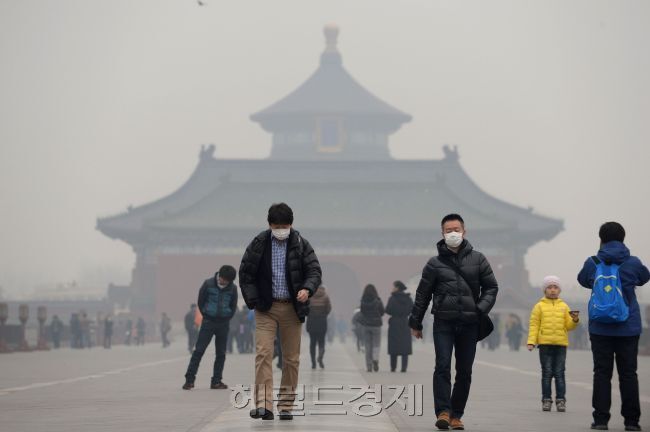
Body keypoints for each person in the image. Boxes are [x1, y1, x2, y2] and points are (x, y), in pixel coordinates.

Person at [409, 213, 498, 431]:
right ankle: (443, 412)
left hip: (469, 323)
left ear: (464, 231)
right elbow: (423, 294)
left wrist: (480, 309)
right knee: (442, 366)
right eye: (448, 230)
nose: (453, 234)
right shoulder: (434, 263)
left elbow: (491, 288)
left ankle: (457, 414)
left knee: (464, 370)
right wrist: (416, 322)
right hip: (444, 323)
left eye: (456, 229)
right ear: (442, 233)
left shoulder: (478, 259)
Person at [239, 203, 322, 420]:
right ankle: (263, 405)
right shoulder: (258, 244)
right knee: (263, 353)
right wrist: (253, 300)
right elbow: (246, 274)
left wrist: (307, 288)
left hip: (292, 308)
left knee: (291, 359)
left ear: (291, 224)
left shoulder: (301, 244)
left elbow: (314, 270)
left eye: (284, 226)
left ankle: (286, 406)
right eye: (277, 226)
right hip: (266, 308)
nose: (281, 230)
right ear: (269, 225)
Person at [577, 222, 649, 431]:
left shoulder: (592, 262)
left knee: (601, 373)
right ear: (623, 238)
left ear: (601, 239)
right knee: (628, 373)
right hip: (628, 327)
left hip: (600, 327)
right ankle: (632, 421)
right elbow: (645, 277)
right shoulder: (633, 263)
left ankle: (600, 420)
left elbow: (583, 280)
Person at [527, 276, 580, 412]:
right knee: (547, 373)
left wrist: (574, 320)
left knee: (560, 373)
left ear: (559, 290)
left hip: (561, 344)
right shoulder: (539, 306)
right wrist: (531, 342)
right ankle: (546, 400)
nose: (552, 290)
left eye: (555, 287)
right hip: (544, 344)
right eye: (549, 287)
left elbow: (568, 326)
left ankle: (561, 400)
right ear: (545, 290)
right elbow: (534, 325)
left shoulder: (564, 306)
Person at [183, 265, 238, 390]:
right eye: (223, 279)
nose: (223, 282)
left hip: (223, 324)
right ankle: (189, 380)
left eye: (227, 281)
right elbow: (201, 301)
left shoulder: (233, 288)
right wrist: (206, 315)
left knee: (221, 354)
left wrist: (227, 316)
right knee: (198, 351)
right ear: (220, 275)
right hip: (208, 323)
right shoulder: (208, 284)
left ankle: (216, 381)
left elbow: (233, 305)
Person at [386, 280, 413, 373]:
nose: (392, 288)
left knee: (394, 345)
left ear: (397, 287)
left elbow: (388, 310)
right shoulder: (408, 299)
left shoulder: (392, 298)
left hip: (394, 322)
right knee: (405, 345)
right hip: (405, 322)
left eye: (393, 286)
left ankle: (393, 367)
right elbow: (412, 309)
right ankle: (404, 368)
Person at [359, 284, 384, 372]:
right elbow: (382, 312)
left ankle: (369, 366)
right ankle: (375, 359)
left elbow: (362, 312)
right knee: (376, 344)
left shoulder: (362, 301)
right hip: (376, 325)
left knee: (368, 345)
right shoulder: (378, 301)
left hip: (366, 325)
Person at [306, 285, 332, 369]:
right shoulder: (325, 297)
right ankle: (320, 355)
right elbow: (329, 308)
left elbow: (305, 307)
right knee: (321, 341)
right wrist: (324, 314)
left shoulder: (310, 296)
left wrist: (309, 314)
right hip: (322, 321)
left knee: (312, 343)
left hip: (311, 321)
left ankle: (313, 362)